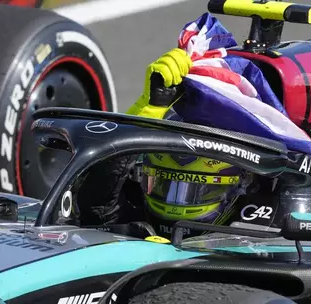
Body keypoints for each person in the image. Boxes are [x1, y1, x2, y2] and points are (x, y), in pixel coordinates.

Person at [76, 48, 258, 238]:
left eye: (198, 191)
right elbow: (97, 202)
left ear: (241, 183)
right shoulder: (132, 218)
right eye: (164, 185)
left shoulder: (266, 239)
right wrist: (149, 111)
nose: (176, 206)